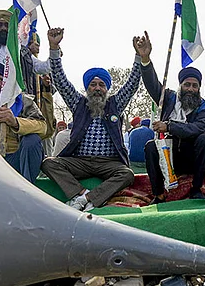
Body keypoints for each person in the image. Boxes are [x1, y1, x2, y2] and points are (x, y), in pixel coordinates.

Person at [40, 28, 141, 211]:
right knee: (49, 163)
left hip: (109, 162)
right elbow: (61, 81)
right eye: (93, 84)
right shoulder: (79, 103)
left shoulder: (115, 104)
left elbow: (132, 84)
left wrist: (138, 56)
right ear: (87, 88)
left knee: (126, 174)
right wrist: (54, 47)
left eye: (101, 85)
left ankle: (89, 199)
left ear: (107, 88)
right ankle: (79, 194)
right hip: (80, 161)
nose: (97, 88)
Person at [138, 34, 205, 202]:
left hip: (190, 158)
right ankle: (158, 194)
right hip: (167, 155)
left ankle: (196, 189)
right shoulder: (168, 98)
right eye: (187, 84)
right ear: (180, 86)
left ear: (199, 89)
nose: (191, 89)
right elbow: (152, 84)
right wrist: (145, 59)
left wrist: (170, 126)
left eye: (195, 86)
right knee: (151, 146)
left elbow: (198, 128)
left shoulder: (204, 107)